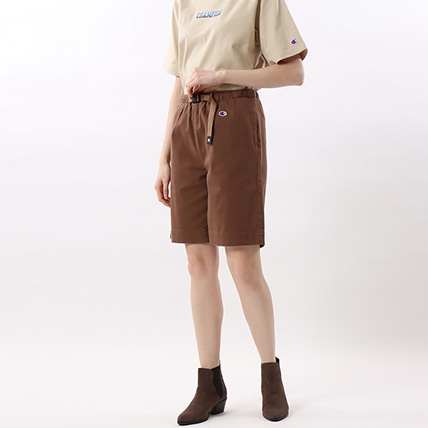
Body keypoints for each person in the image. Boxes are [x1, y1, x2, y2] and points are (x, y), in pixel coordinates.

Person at [154, 0, 307, 425]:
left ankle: (271, 378)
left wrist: (222, 75)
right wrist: (164, 156)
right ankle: (209, 383)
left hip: (236, 118)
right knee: (197, 262)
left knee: (243, 263)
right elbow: (180, 80)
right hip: (187, 124)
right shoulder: (184, 3)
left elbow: (293, 72)